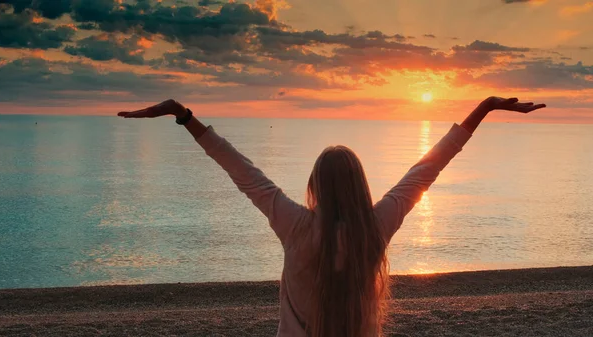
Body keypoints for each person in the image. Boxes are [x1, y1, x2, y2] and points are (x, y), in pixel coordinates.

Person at [117, 97, 546, 337]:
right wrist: (484, 108)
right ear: (360, 184)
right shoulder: (375, 228)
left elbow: (241, 170)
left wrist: (185, 117)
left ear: (315, 185)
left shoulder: (294, 225)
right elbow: (428, 168)